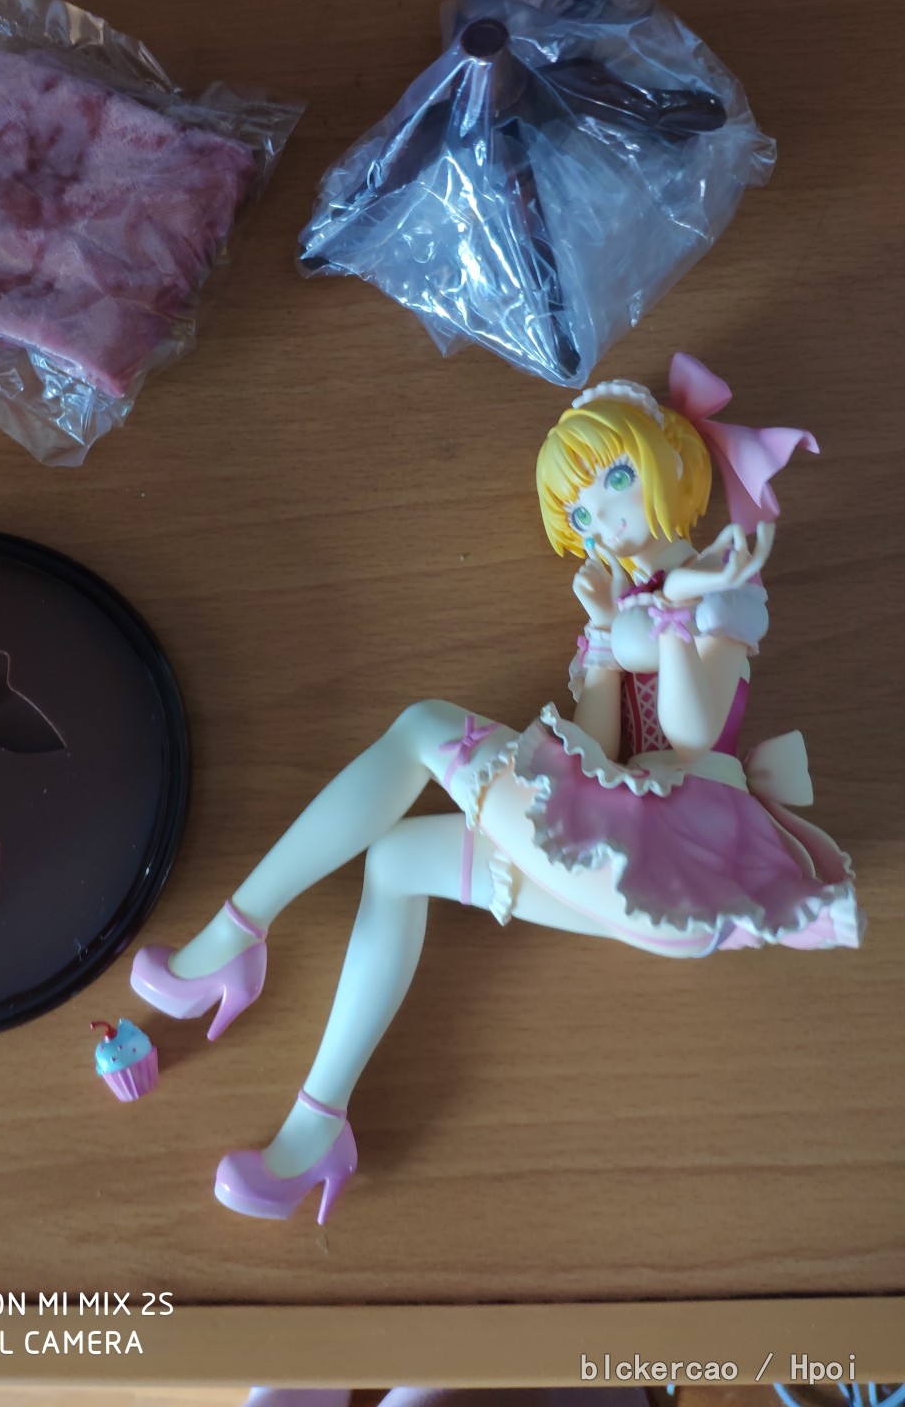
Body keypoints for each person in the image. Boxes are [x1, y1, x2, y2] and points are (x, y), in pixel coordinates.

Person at [131, 354, 862, 1224]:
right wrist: (604, 633)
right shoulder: (625, 603)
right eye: (580, 512)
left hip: (685, 844)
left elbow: (696, 731)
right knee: (397, 861)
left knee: (422, 726)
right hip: (612, 845)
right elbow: (592, 749)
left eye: (615, 481)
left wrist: (675, 612)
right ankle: (318, 1125)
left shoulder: (722, 587)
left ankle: (234, 935)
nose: (601, 519)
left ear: (673, 462)